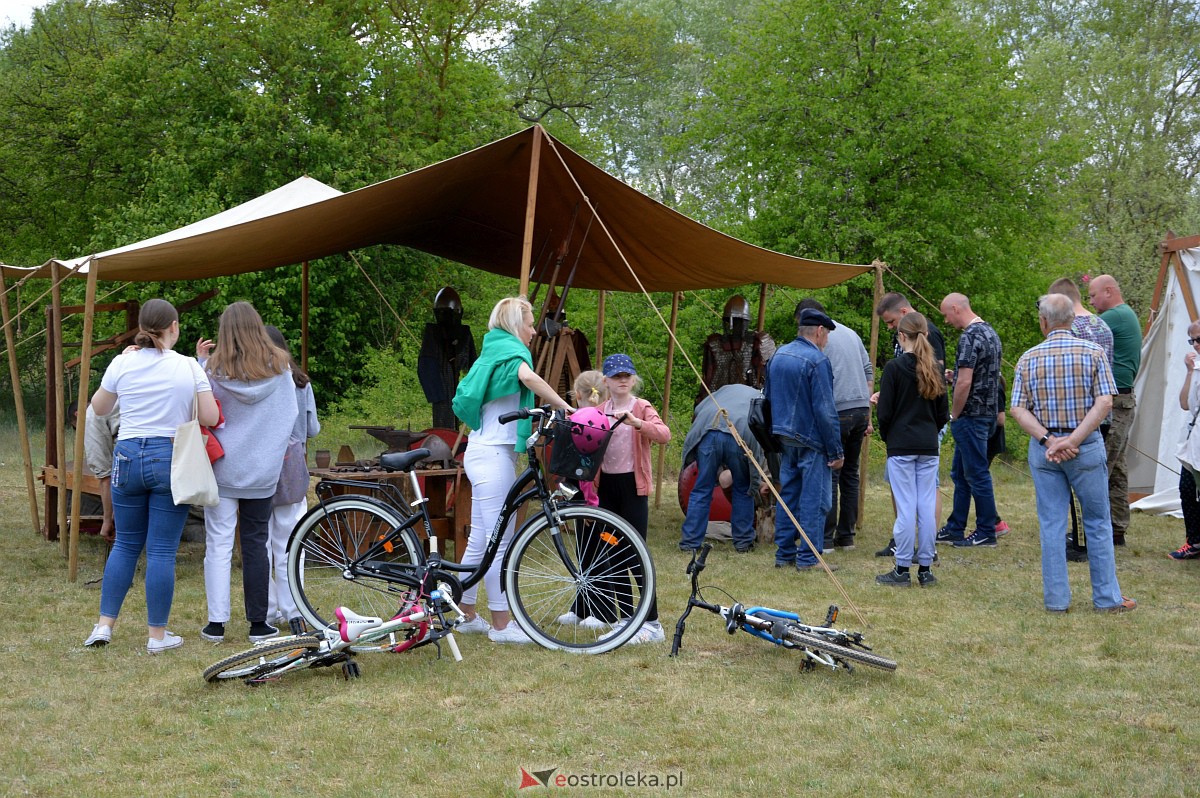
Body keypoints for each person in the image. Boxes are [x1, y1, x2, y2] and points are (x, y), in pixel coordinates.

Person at [83, 299, 219, 653]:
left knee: (126, 543)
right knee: (161, 551)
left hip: (127, 455)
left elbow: (99, 409)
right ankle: (157, 636)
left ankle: (103, 626)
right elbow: (208, 416)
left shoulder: (122, 362)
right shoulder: (189, 366)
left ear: (142, 327)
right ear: (173, 326)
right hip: (169, 457)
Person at [451, 296, 574, 644]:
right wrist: (567, 408)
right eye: (530, 324)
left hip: (481, 451)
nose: (535, 331)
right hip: (492, 455)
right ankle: (503, 625)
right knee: (500, 541)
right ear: (513, 325)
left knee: (480, 538)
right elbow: (530, 379)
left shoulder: (492, 351)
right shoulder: (512, 353)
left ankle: (467, 612)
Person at [1009, 293, 1135, 612]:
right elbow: (1105, 402)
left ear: (1044, 322)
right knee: (1097, 521)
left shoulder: (1028, 358)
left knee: (1051, 523)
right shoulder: (1093, 353)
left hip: (1045, 452)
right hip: (1086, 448)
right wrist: (1074, 439)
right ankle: (1106, 598)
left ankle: (1056, 600)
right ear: (1072, 319)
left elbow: (1017, 409)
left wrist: (1050, 440)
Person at [199, 302, 298, 644]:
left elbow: (204, 410)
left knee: (219, 542)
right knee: (257, 544)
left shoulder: (212, 370)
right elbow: (289, 418)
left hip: (222, 466)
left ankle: (216, 623)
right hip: (263, 470)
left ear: (224, 331)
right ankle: (259, 623)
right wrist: (268, 457)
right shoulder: (281, 367)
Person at [596, 353, 672, 644]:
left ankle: (651, 623)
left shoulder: (641, 407)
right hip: (607, 489)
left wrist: (636, 423)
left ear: (633, 378)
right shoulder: (600, 409)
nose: (623, 380)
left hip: (632, 489)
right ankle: (627, 620)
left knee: (636, 554)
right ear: (606, 381)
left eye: (627, 375)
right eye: (616, 376)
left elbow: (664, 434)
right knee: (612, 553)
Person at [766, 308, 844, 572]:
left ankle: (784, 553)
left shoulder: (778, 355)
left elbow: (767, 398)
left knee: (788, 496)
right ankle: (809, 558)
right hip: (811, 440)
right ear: (820, 331)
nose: (827, 341)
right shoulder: (817, 361)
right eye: (827, 336)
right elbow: (825, 410)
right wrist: (835, 450)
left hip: (784, 437)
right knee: (816, 500)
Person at [875, 312, 949, 587]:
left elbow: (885, 412)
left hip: (902, 445)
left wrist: (889, 436)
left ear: (902, 337)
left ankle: (903, 568)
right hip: (927, 445)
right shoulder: (934, 368)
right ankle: (926, 568)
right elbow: (942, 412)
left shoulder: (894, 368)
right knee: (926, 506)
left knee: (906, 508)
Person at [795, 298, 873, 550]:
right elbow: (868, 371)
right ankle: (846, 536)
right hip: (860, 408)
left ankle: (825, 538)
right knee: (850, 473)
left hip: (837, 411)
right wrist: (868, 412)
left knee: (829, 472)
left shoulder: (818, 338)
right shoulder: (852, 334)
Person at [1049, 277, 1115, 560]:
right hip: (1101, 415)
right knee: (1096, 486)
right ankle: (1091, 538)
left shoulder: (1068, 327)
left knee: (1073, 488)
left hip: (1072, 419)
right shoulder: (1102, 325)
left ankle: (1080, 542)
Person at [263, 326, 321, 630]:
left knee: (260, 543)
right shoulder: (301, 383)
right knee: (289, 542)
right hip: (292, 464)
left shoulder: (258, 380)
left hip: (259, 465)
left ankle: (267, 608)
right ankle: (293, 607)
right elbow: (312, 430)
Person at [937, 293, 1002, 547]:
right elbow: (984, 375)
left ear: (956, 309)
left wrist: (954, 413)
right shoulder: (990, 334)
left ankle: (987, 530)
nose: (946, 320)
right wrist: (957, 377)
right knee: (960, 473)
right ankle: (956, 527)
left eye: (946, 314)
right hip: (986, 412)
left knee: (976, 473)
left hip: (971, 415)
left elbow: (965, 381)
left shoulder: (969, 337)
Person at [679, 383, 767, 554]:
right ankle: (743, 543)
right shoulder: (761, 397)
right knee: (743, 488)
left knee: (701, 489)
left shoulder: (723, 391)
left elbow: (698, 411)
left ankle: (690, 543)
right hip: (740, 432)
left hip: (709, 429)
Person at [1087, 274, 1142, 546]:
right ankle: (1116, 528)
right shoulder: (1124, 314)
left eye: (1093, 295)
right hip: (1123, 399)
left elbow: (1082, 330)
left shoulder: (1115, 316)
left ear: (1109, 292)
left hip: (1115, 401)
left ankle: (1093, 534)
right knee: (1117, 468)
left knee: (1099, 465)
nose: (1091, 301)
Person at [696, 295, 776, 404]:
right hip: (717, 400)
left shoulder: (759, 343)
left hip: (747, 400)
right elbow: (707, 380)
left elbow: (766, 378)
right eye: (734, 322)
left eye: (739, 322)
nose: (735, 326)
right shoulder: (714, 345)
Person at [417, 286, 476, 430]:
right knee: (444, 422)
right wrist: (436, 394)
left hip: (456, 387)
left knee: (453, 420)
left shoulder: (463, 333)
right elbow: (426, 365)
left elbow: (474, 365)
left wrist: (473, 391)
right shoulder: (433, 333)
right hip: (442, 391)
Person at [1169, 320, 1200, 560]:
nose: (1196, 345)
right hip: (1194, 440)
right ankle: (1195, 541)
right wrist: (1189, 372)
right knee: (1187, 489)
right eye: (1193, 340)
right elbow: (1185, 403)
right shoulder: (1196, 367)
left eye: (1199, 339)